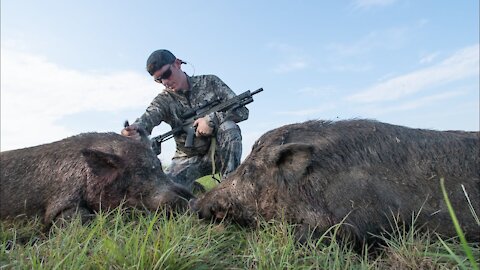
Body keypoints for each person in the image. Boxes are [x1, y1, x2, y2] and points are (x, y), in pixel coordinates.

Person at [121, 49, 248, 192]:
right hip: (186, 158)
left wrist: (211, 120)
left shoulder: (211, 82)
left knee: (229, 128)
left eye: (166, 74)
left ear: (177, 64)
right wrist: (134, 130)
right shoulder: (164, 100)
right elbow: (148, 118)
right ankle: (194, 189)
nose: (165, 82)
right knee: (165, 191)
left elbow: (242, 111)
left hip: (221, 153)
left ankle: (229, 191)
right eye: (159, 80)